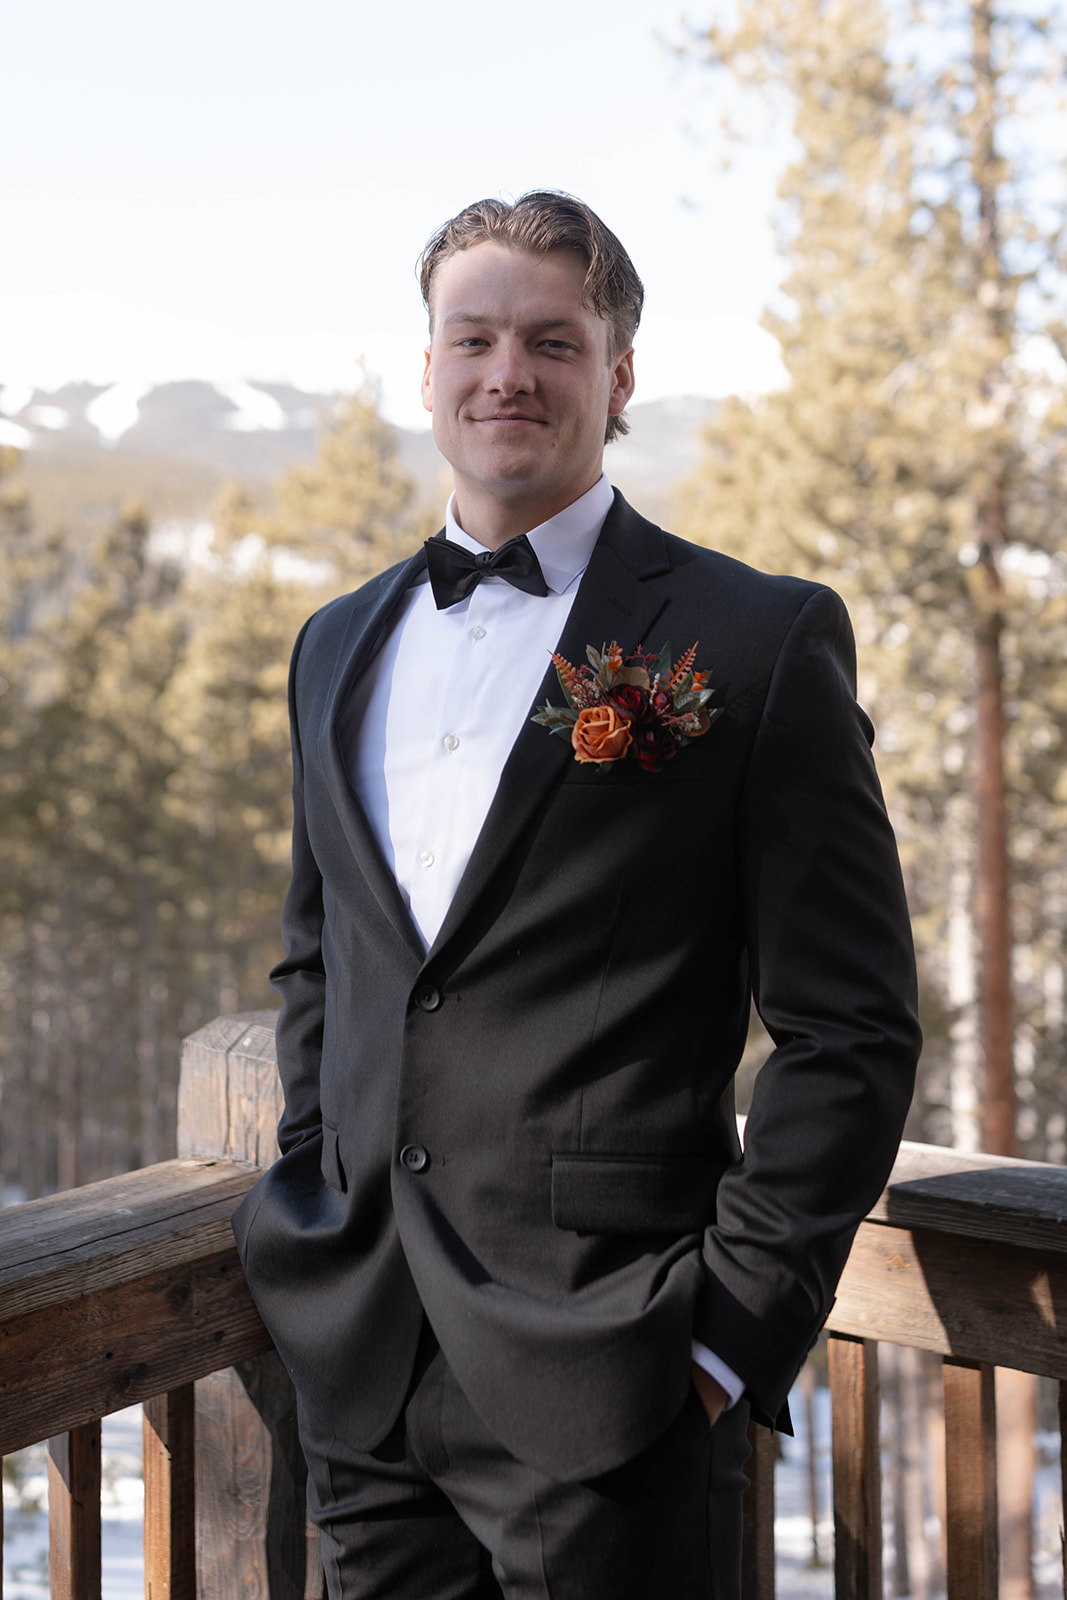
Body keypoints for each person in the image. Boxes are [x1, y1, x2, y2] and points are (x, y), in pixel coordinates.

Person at [232, 190, 920, 1600]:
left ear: (619, 376)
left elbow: (851, 1033)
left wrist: (725, 1339)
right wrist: (317, 1193)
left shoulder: (756, 638)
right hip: (363, 1370)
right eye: (474, 338)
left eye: (554, 341)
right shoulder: (336, 644)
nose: (509, 374)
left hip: (619, 1381)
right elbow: (322, 963)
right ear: (427, 368)